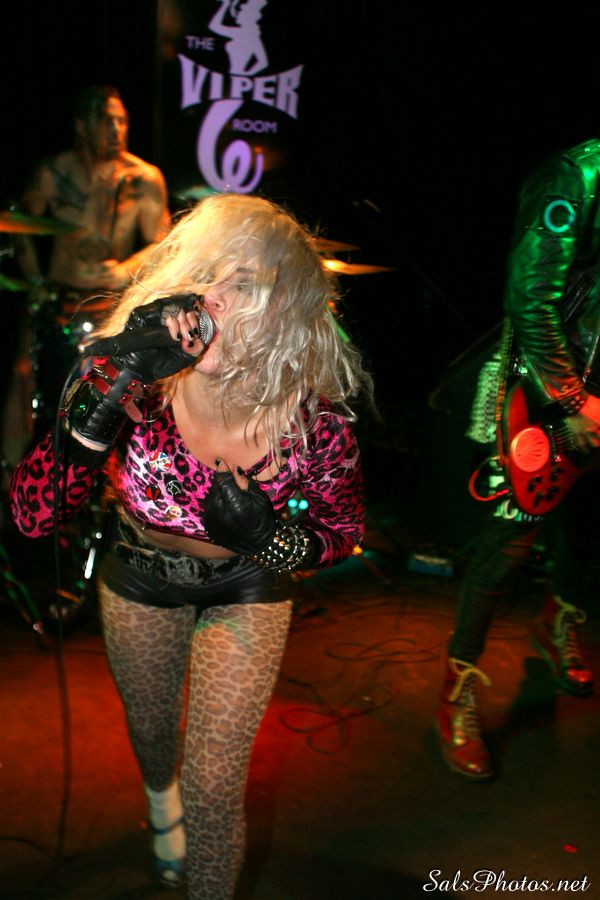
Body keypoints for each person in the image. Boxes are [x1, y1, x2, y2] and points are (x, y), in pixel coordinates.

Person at [9, 192, 372, 897]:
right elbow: (30, 519)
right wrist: (87, 426)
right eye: (208, 275)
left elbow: (343, 531)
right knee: (153, 737)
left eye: (245, 284)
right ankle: (158, 806)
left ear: (288, 312)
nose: (214, 297)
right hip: (141, 572)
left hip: (247, 585)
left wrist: (272, 541)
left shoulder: (315, 419)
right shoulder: (142, 384)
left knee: (214, 783)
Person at [434, 137, 600, 781]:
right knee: (508, 546)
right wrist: (573, 400)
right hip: (543, 393)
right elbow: (530, 300)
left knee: (585, 525)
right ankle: (456, 691)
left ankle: (557, 623)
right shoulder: (572, 179)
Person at [13, 84, 171, 441]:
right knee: (48, 400)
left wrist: (123, 269)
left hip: (111, 307)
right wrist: (35, 281)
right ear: (81, 125)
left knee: (108, 410)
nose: (115, 129)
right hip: (61, 305)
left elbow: (164, 244)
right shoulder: (53, 173)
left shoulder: (144, 178)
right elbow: (19, 227)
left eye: (121, 121)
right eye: (105, 120)